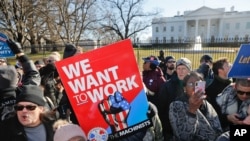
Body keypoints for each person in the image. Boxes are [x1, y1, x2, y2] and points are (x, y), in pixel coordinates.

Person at [169, 71, 223, 141]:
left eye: (198, 84)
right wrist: (192, 111)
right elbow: (183, 137)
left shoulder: (207, 104)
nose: (195, 87)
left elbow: (217, 129)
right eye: (191, 84)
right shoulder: (176, 105)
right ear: (185, 88)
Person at [157, 57, 192, 141]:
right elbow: (161, 109)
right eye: (178, 68)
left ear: (189, 70)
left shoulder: (194, 84)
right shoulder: (167, 86)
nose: (180, 71)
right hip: (171, 130)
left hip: (190, 126)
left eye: (184, 68)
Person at [205, 57, 232, 129]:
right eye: (228, 65)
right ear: (220, 70)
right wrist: (227, 118)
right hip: (222, 125)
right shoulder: (212, 88)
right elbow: (214, 110)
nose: (231, 66)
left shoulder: (233, 83)